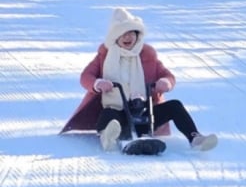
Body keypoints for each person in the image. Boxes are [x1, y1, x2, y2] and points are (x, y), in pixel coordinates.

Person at [60, 8, 217, 152]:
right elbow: (85, 77)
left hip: (144, 113)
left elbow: (168, 75)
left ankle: (195, 138)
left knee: (175, 106)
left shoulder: (147, 55)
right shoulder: (105, 56)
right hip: (118, 113)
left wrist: (165, 82)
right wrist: (97, 83)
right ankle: (108, 137)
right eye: (124, 34)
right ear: (116, 37)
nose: (128, 37)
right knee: (108, 114)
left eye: (132, 33)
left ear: (138, 35)